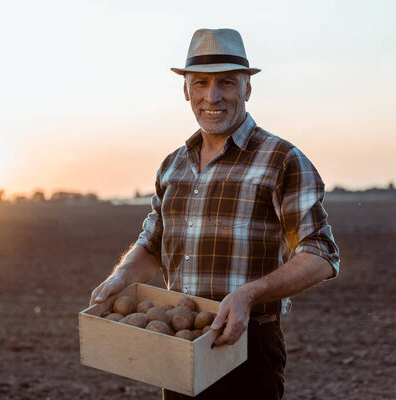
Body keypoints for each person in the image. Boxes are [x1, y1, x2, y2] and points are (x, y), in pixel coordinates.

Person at [89, 28, 340, 400]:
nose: (213, 96)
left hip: (248, 347)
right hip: (179, 343)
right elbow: (153, 244)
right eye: (201, 83)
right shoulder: (173, 165)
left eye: (226, 83)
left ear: (247, 89)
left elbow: (321, 255)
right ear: (186, 90)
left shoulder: (281, 159)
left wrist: (247, 296)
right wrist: (120, 277)